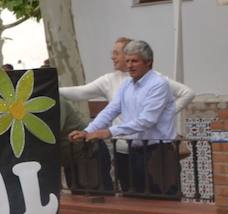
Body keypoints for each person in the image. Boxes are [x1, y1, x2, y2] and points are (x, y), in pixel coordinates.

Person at [68, 39, 179, 197]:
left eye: (135, 61)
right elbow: (111, 110)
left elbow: (147, 120)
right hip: (133, 152)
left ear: (148, 63)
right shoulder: (126, 85)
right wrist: (88, 131)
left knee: (161, 202)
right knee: (131, 199)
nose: (130, 65)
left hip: (158, 152)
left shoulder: (158, 84)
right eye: (127, 61)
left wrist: (109, 132)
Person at [60, 36, 195, 111]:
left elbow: (187, 93)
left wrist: (168, 113)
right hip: (120, 148)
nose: (112, 57)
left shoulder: (154, 79)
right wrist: (52, 89)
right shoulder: (109, 80)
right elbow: (81, 92)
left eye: (116, 53)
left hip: (148, 148)